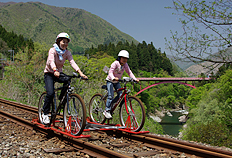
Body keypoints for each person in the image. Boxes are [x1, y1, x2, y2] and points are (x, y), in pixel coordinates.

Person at [42, 32, 88, 124]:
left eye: (67, 42)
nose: (65, 44)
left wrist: (81, 73)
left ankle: (62, 99)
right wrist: (55, 70)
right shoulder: (52, 50)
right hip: (50, 73)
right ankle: (45, 114)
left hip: (59, 73)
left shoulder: (67, 53)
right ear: (59, 41)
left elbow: (72, 62)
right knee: (50, 93)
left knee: (67, 80)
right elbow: (51, 61)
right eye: (63, 42)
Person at [104, 50, 139, 119]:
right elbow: (110, 72)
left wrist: (134, 79)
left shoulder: (125, 65)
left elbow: (129, 72)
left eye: (126, 58)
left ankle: (111, 103)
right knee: (110, 95)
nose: (125, 60)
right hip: (110, 81)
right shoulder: (115, 63)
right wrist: (113, 78)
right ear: (120, 57)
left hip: (117, 81)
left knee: (120, 95)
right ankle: (106, 110)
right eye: (123, 58)